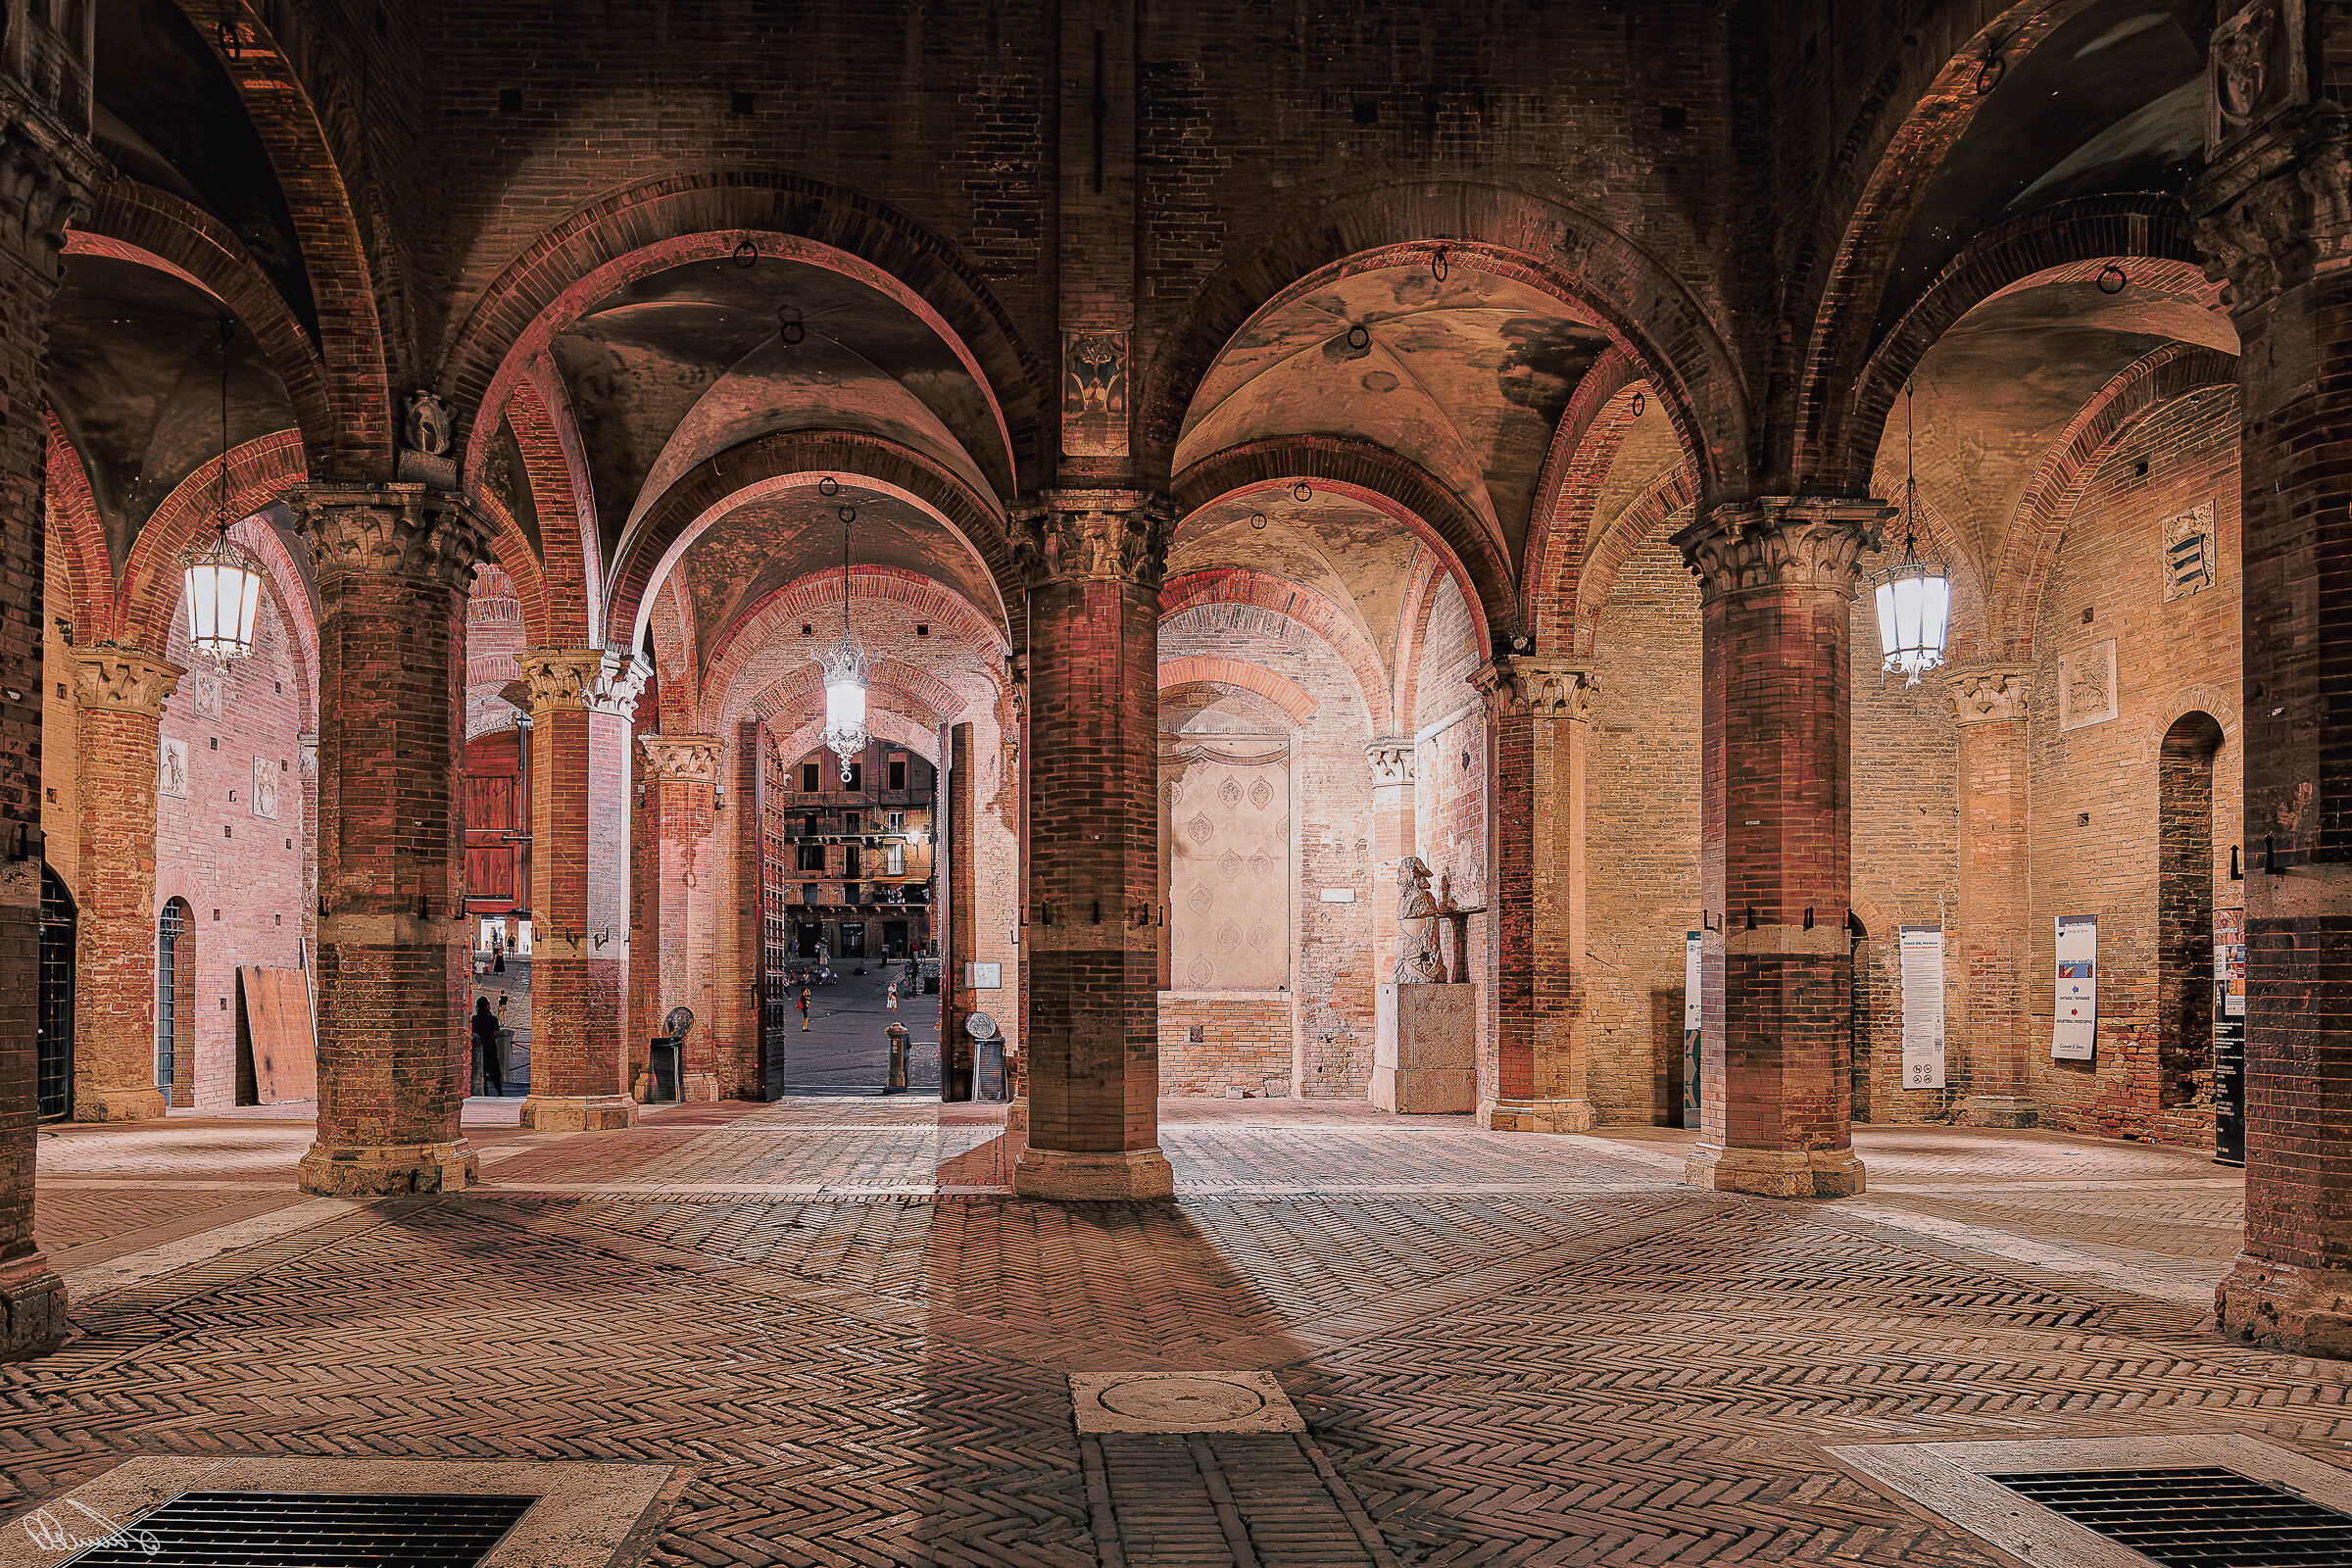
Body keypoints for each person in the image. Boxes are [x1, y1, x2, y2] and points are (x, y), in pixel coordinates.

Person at [471, 996, 504, 1096]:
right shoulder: (492, 1019)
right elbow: (496, 1032)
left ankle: (484, 1092)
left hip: (478, 1048)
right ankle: (499, 1092)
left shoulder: (474, 1019)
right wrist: (489, 1041)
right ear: (486, 1006)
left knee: (481, 1072)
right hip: (490, 1048)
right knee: (494, 1072)